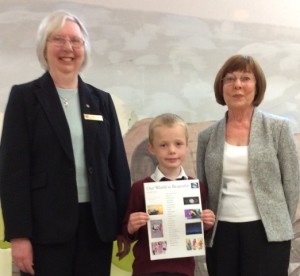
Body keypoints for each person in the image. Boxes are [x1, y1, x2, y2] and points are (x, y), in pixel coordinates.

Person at [0, 10, 131, 276]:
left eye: (76, 41)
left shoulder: (101, 100)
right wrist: (19, 236)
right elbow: (13, 173)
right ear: (44, 47)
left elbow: (117, 165)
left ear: (84, 49)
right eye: (58, 39)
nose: (68, 48)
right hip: (45, 230)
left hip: (97, 227)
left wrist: (123, 225)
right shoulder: (24, 98)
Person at [196, 54, 300, 276]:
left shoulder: (279, 129)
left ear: (257, 85)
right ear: (221, 86)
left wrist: (278, 219)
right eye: (230, 79)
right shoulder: (207, 136)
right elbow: (203, 187)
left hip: (268, 233)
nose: (238, 85)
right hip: (220, 233)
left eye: (246, 78)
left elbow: (292, 184)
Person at [119, 113, 215, 276]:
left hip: (183, 270)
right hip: (147, 270)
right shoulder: (140, 188)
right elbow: (126, 234)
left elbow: (200, 234)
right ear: (151, 148)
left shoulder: (197, 187)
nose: (171, 150)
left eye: (178, 144)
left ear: (186, 146)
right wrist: (130, 226)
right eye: (163, 145)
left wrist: (206, 224)